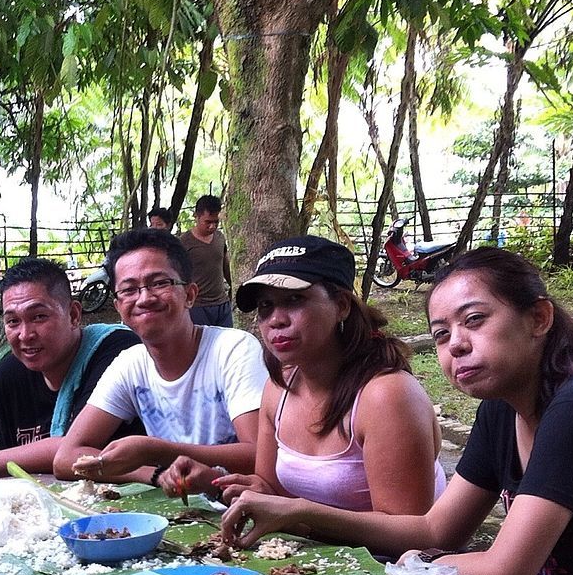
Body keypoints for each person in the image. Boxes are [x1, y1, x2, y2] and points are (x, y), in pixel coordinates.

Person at [221, 249, 573, 575]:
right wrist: (299, 511)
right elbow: (437, 527)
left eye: (475, 320)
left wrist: (410, 569)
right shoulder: (501, 408)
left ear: (539, 317)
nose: (457, 346)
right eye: (442, 335)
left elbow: (504, 572)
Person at [166, 236, 444, 513]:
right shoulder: (279, 388)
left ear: (342, 306)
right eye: (266, 306)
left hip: (391, 557)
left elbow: (408, 532)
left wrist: (300, 514)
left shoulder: (387, 396)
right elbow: (269, 490)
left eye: (295, 299)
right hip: (311, 552)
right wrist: (212, 481)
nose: (276, 319)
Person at [53, 227, 267, 487]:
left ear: (189, 295)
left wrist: (156, 451)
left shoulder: (233, 349)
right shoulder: (130, 364)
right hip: (181, 510)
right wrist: (152, 473)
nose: (144, 298)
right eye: (129, 290)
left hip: (242, 506)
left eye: (159, 283)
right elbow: (66, 458)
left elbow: (261, 455)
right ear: (119, 307)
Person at [0, 258, 144, 477]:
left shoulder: (118, 353)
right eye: (13, 321)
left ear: (73, 315)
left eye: (39, 317)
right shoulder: (8, 377)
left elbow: (71, 450)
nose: (25, 335)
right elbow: (11, 463)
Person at [179, 194, 234, 327]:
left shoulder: (220, 238)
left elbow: (224, 264)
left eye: (216, 222)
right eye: (208, 222)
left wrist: (233, 286)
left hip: (221, 304)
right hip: (197, 306)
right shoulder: (183, 243)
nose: (212, 226)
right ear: (196, 217)